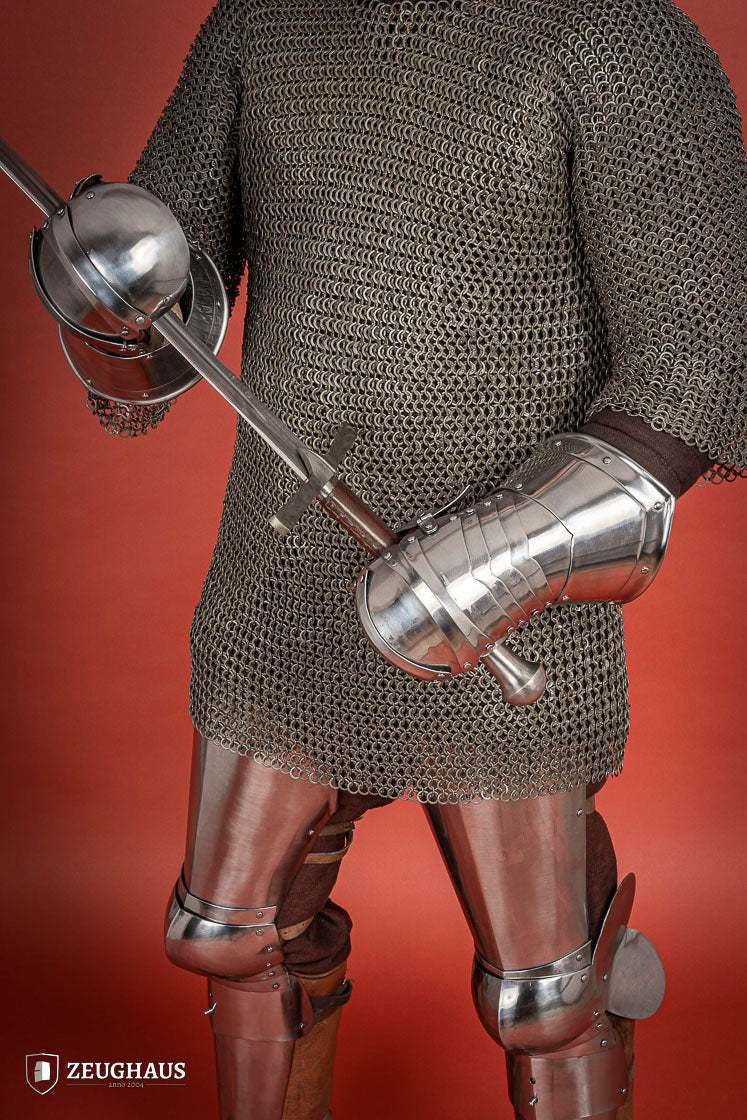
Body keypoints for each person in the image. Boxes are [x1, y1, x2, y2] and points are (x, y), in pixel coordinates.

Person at [85, 1, 745, 1117]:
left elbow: (696, 362)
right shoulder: (264, 23)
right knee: (230, 935)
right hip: (287, 575)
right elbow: (164, 285)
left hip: (507, 594)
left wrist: (488, 564)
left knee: (546, 995)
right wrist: (109, 304)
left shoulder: (612, 36)